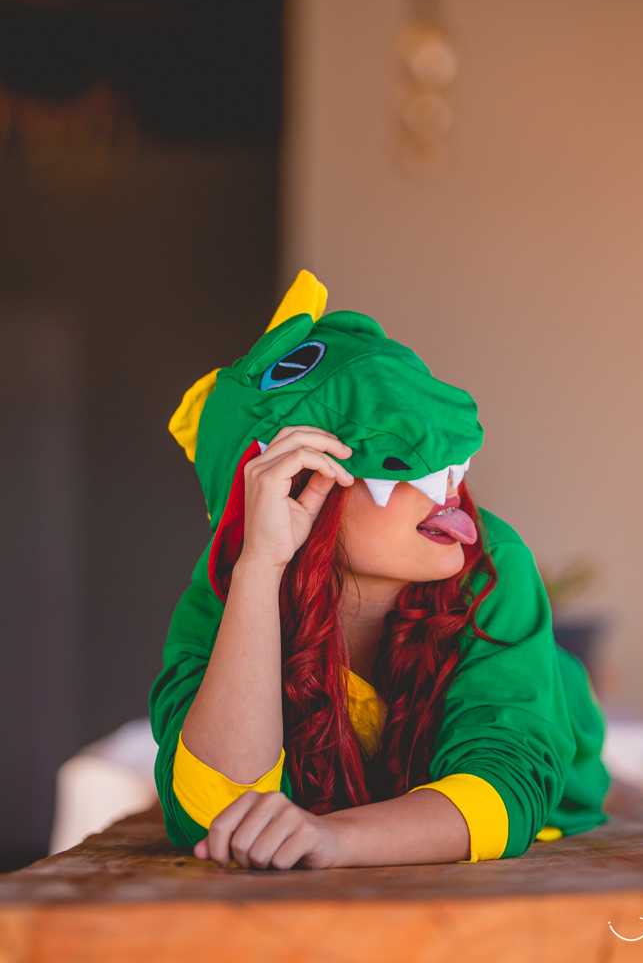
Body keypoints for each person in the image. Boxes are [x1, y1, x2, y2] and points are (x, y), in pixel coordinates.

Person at [151, 271, 609, 870]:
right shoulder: (228, 589)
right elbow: (216, 814)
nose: (450, 487)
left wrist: (336, 840)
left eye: (451, 464)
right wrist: (260, 572)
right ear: (294, 493)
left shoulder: (493, 566)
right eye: (397, 464)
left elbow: (507, 783)